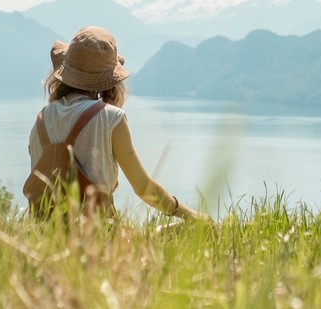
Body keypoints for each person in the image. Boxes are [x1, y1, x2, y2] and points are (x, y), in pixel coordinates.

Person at [27, 25, 207, 221]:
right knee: (184, 230)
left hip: (44, 235)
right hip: (96, 237)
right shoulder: (112, 118)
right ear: (109, 80)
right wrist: (192, 216)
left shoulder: (41, 119)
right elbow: (144, 189)